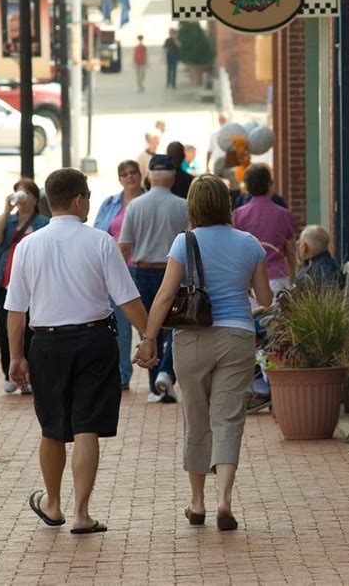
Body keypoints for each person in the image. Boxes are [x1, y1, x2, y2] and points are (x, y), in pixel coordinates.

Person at [4, 168, 154, 534]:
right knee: (87, 425)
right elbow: (127, 298)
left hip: (47, 343)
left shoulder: (28, 246)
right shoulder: (100, 241)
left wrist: (16, 357)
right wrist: (148, 336)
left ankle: (53, 505)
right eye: (86, 194)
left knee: (52, 427)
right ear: (78, 199)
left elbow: (16, 311)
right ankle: (81, 513)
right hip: (93, 340)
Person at [135, 174, 273, 531]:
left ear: (193, 205)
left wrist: (149, 339)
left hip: (192, 339)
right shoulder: (250, 244)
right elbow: (265, 298)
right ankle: (224, 500)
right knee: (227, 418)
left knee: (196, 419)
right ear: (227, 205)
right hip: (238, 337)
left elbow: (165, 297)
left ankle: (197, 503)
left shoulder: (184, 243)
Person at [119, 155, 188, 403]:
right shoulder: (183, 205)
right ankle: (167, 373)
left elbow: (124, 246)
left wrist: (116, 279)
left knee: (148, 329)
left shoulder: (135, 206)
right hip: (174, 271)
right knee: (177, 326)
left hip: (142, 270)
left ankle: (153, 386)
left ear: (149, 176)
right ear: (173, 177)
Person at [0, 179, 49, 393]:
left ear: (34, 197)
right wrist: (6, 211)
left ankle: (29, 375)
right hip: (3, 286)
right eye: (18, 192)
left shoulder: (43, 223)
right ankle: (10, 374)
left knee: (30, 332)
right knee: (3, 332)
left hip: (31, 287)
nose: (21, 196)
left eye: (25, 193)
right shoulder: (10, 222)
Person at [94, 160, 144, 390]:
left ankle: (156, 371)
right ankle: (123, 374)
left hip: (144, 267)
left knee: (149, 323)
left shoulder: (149, 202)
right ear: (119, 179)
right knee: (121, 325)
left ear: (141, 175)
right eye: (125, 174)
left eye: (133, 172)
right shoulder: (110, 203)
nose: (130, 177)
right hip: (115, 270)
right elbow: (97, 232)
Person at [233, 164, 297, 298]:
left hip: (249, 282)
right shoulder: (284, 215)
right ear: (269, 185)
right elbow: (291, 253)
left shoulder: (238, 215)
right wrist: (292, 280)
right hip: (278, 279)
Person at [294, 225, 342, 289]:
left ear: (305, 247)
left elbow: (330, 292)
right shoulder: (325, 263)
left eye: (299, 243)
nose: (298, 245)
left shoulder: (322, 269)